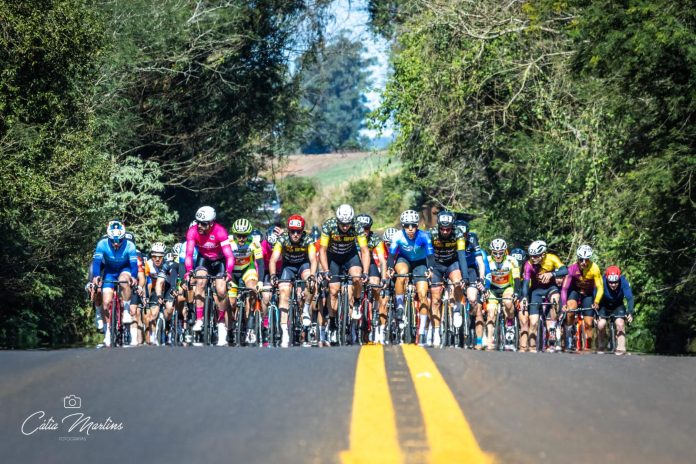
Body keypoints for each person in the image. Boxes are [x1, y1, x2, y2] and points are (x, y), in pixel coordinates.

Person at [318, 204, 370, 344]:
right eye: (342, 224)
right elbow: (322, 250)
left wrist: (365, 272)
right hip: (333, 257)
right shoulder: (329, 226)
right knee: (333, 291)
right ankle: (332, 322)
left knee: (357, 277)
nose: (345, 227)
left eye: (348, 224)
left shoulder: (357, 226)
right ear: (337, 220)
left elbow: (364, 250)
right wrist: (325, 270)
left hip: (350, 255)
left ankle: (357, 302)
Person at [184, 206, 235, 346]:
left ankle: (221, 323)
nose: (199, 226)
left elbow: (229, 256)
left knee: (221, 290)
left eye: (203, 223)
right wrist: (189, 271)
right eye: (198, 222)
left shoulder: (220, 231)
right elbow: (189, 254)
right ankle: (199, 319)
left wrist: (228, 272)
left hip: (220, 261)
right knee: (199, 281)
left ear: (212, 223)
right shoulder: (192, 231)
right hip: (204, 260)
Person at [387, 210, 435, 346]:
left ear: (417, 226)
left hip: (420, 263)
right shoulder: (397, 236)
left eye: (413, 225)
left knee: (423, 294)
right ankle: (400, 305)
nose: (410, 229)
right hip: (404, 260)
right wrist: (390, 268)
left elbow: (430, 256)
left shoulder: (424, 236)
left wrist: (430, 269)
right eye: (407, 225)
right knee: (401, 273)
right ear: (402, 226)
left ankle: (422, 332)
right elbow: (391, 256)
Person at [269, 215, 318, 347]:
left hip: (303, 265)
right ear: (288, 231)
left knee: (312, 283)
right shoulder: (282, 239)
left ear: (302, 231)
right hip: (288, 267)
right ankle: (285, 331)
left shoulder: (308, 239)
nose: (295, 234)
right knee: (284, 292)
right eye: (292, 231)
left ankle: (306, 309)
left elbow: (313, 259)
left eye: (298, 231)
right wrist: (273, 275)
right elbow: (273, 259)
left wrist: (312, 276)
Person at [90, 220, 139, 347]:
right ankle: (107, 332)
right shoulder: (102, 244)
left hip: (124, 269)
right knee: (106, 303)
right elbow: (96, 263)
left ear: (124, 237)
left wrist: (133, 277)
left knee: (124, 281)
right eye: (113, 241)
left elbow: (134, 265)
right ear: (108, 237)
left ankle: (126, 309)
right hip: (109, 271)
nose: (116, 243)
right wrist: (96, 276)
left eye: (119, 240)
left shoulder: (130, 245)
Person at [428, 211, 469, 347]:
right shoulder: (432, 233)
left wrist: (465, 277)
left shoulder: (458, 233)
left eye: (448, 229)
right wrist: (430, 269)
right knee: (435, 299)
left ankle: (457, 309)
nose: (445, 231)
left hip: (452, 263)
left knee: (457, 281)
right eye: (443, 229)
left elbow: (461, 255)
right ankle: (436, 331)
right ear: (439, 226)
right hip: (436, 264)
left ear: (452, 227)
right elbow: (428, 254)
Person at [520, 240, 568, 352]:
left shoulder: (552, 258)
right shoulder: (528, 264)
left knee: (555, 300)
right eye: (531, 256)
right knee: (533, 322)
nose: (533, 258)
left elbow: (565, 270)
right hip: (536, 291)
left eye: (535, 256)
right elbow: (526, 283)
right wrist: (525, 297)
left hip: (550, 288)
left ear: (543, 254)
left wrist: (552, 274)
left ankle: (552, 326)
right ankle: (532, 348)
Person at [228, 218, 265, 345]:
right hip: (232, 272)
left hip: (247, 270)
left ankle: (250, 326)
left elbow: (260, 263)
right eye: (239, 236)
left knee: (252, 289)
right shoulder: (229, 242)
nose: (241, 239)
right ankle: (231, 327)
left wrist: (260, 281)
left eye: (244, 236)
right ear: (234, 234)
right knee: (231, 303)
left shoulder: (254, 243)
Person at [560, 245, 604, 352]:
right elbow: (564, 289)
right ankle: (569, 333)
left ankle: (588, 346)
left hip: (587, 294)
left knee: (588, 323)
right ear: (577, 259)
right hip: (574, 291)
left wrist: (596, 301)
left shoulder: (594, 268)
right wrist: (564, 304)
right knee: (571, 309)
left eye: (586, 259)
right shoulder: (572, 268)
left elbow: (600, 288)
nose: (584, 262)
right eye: (581, 260)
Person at [356, 214, 389, 344]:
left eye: (367, 228)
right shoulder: (351, 236)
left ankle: (375, 310)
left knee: (375, 284)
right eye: (361, 228)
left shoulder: (375, 238)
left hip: (369, 264)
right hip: (353, 263)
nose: (364, 231)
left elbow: (382, 260)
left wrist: (384, 278)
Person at [487, 238, 521, 350]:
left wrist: (516, 292)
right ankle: (490, 339)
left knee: (508, 303)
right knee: (491, 312)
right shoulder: (487, 260)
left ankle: (510, 325)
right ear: (491, 252)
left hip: (507, 287)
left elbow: (516, 279)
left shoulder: (512, 261)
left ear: (505, 251)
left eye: (501, 253)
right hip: (493, 288)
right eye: (495, 253)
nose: (498, 256)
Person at [597, 265, 634, 355]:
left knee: (620, 324)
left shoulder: (623, 281)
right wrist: (595, 313)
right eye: (611, 282)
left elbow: (630, 298)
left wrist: (630, 311)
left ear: (619, 279)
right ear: (607, 279)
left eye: (616, 282)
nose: (613, 285)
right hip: (604, 305)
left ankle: (621, 347)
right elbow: (595, 297)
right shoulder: (602, 281)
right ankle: (601, 345)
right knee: (601, 324)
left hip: (618, 305)